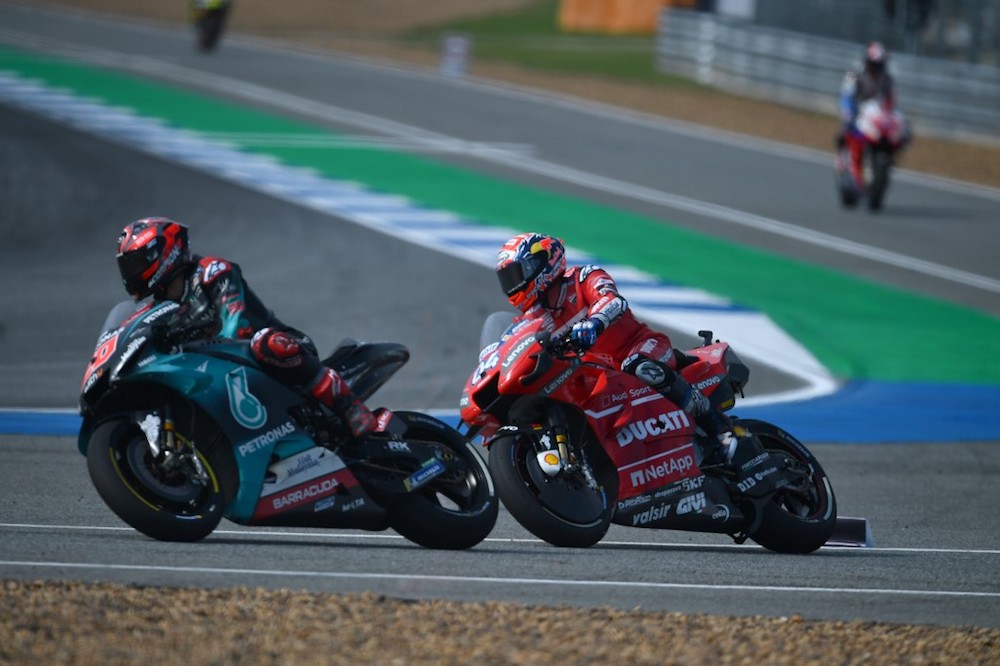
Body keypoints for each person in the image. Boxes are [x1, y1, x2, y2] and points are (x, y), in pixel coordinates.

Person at [495, 232, 763, 476]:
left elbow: (612, 300)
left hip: (640, 346)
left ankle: (721, 430)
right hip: (601, 373)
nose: (514, 284)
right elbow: (514, 345)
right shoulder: (533, 319)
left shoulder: (583, 276)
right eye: (508, 278)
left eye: (519, 273)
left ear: (545, 261)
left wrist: (595, 322)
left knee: (638, 364)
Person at [114, 216, 378, 439]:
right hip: (222, 371)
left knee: (265, 342)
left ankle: (350, 409)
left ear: (165, 252)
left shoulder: (211, 271)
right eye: (128, 266)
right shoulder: (157, 312)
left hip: (273, 350)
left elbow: (236, 323)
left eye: (137, 262)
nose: (132, 273)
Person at [837, 41, 897, 190]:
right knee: (846, 129)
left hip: (875, 114)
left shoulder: (887, 78)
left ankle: (883, 164)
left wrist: (888, 115)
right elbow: (846, 93)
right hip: (856, 108)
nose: (877, 68)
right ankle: (843, 157)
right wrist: (849, 111)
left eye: (880, 65)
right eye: (874, 64)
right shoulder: (853, 71)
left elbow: (890, 101)